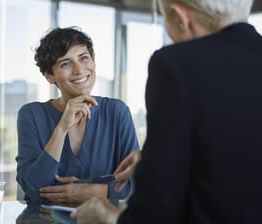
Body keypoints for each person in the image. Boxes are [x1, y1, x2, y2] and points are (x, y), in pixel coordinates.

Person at [71, 0, 262, 223]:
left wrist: (107, 217)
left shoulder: (175, 65)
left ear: (180, 16)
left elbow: (154, 214)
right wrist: (163, 158)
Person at [15, 26, 140, 204]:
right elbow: (34, 188)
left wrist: (90, 189)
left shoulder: (116, 112)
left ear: (93, 62)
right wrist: (62, 128)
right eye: (65, 63)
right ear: (49, 76)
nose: (79, 70)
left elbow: (136, 182)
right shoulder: (31, 115)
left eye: (84, 58)